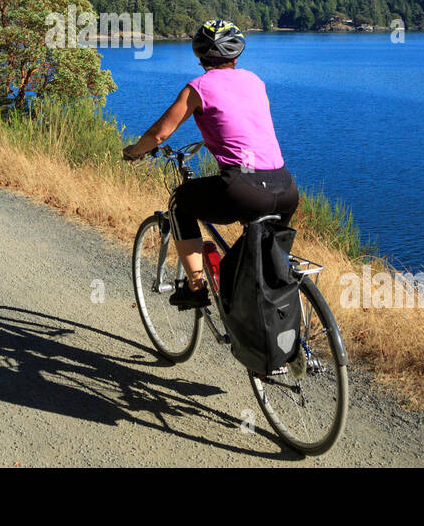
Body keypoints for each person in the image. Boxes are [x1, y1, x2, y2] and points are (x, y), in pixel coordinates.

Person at [122, 19, 300, 309]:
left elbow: (160, 134)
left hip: (243, 188)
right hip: (285, 188)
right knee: (262, 261)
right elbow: (249, 124)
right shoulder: (255, 81)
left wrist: (134, 151)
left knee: (180, 203)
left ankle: (195, 288)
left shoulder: (198, 88)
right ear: (236, 55)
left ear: (199, 55)